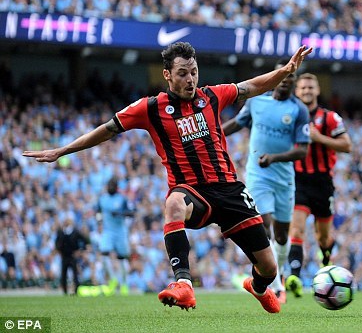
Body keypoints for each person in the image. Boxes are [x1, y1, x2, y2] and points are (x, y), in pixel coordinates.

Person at [23, 42, 313, 313]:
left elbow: (253, 86)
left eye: (194, 72)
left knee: (269, 268)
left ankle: (258, 286)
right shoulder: (150, 108)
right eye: (183, 73)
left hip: (230, 190)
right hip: (192, 192)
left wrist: (286, 71)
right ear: (167, 74)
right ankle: (184, 283)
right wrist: (63, 150)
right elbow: (107, 129)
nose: (191, 80)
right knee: (173, 203)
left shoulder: (213, 96)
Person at [222, 61, 310, 303]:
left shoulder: (298, 110)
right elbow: (237, 124)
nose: (285, 81)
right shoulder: (256, 102)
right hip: (258, 175)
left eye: (290, 78)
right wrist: (213, 134)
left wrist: (274, 158)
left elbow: (303, 151)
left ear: (293, 83)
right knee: (265, 225)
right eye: (282, 77)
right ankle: (277, 284)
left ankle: (277, 276)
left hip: (284, 178)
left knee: (282, 236)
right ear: (275, 78)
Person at [285, 73, 352, 298]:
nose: (306, 91)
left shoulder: (330, 117)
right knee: (296, 229)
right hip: (299, 180)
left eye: (310, 87)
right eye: (303, 88)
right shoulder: (289, 116)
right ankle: (294, 275)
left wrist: (319, 138)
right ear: (296, 91)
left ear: (317, 90)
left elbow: (346, 145)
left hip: (323, 182)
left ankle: (325, 261)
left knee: (323, 237)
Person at [97, 176, 134, 295]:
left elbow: (131, 213)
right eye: (109, 186)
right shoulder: (102, 199)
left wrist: (120, 213)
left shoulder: (122, 199)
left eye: (112, 186)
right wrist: (99, 221)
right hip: (108, 231)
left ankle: (124, 284)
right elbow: (98, 211)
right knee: (103, 253)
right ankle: (113, 279)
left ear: (116, 188)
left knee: (121, 257)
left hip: (120, 231)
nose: (110, 188)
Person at [55, 217, 90, 295]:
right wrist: (59, 251)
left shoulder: (75, 232)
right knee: (63, 274)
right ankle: (65, 290)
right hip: (64, 256)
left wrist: (80, 250)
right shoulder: (61, 232)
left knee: (75, 274)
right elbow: (57, 243)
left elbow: (85, 240)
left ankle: (76, 290)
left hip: (72, 256)